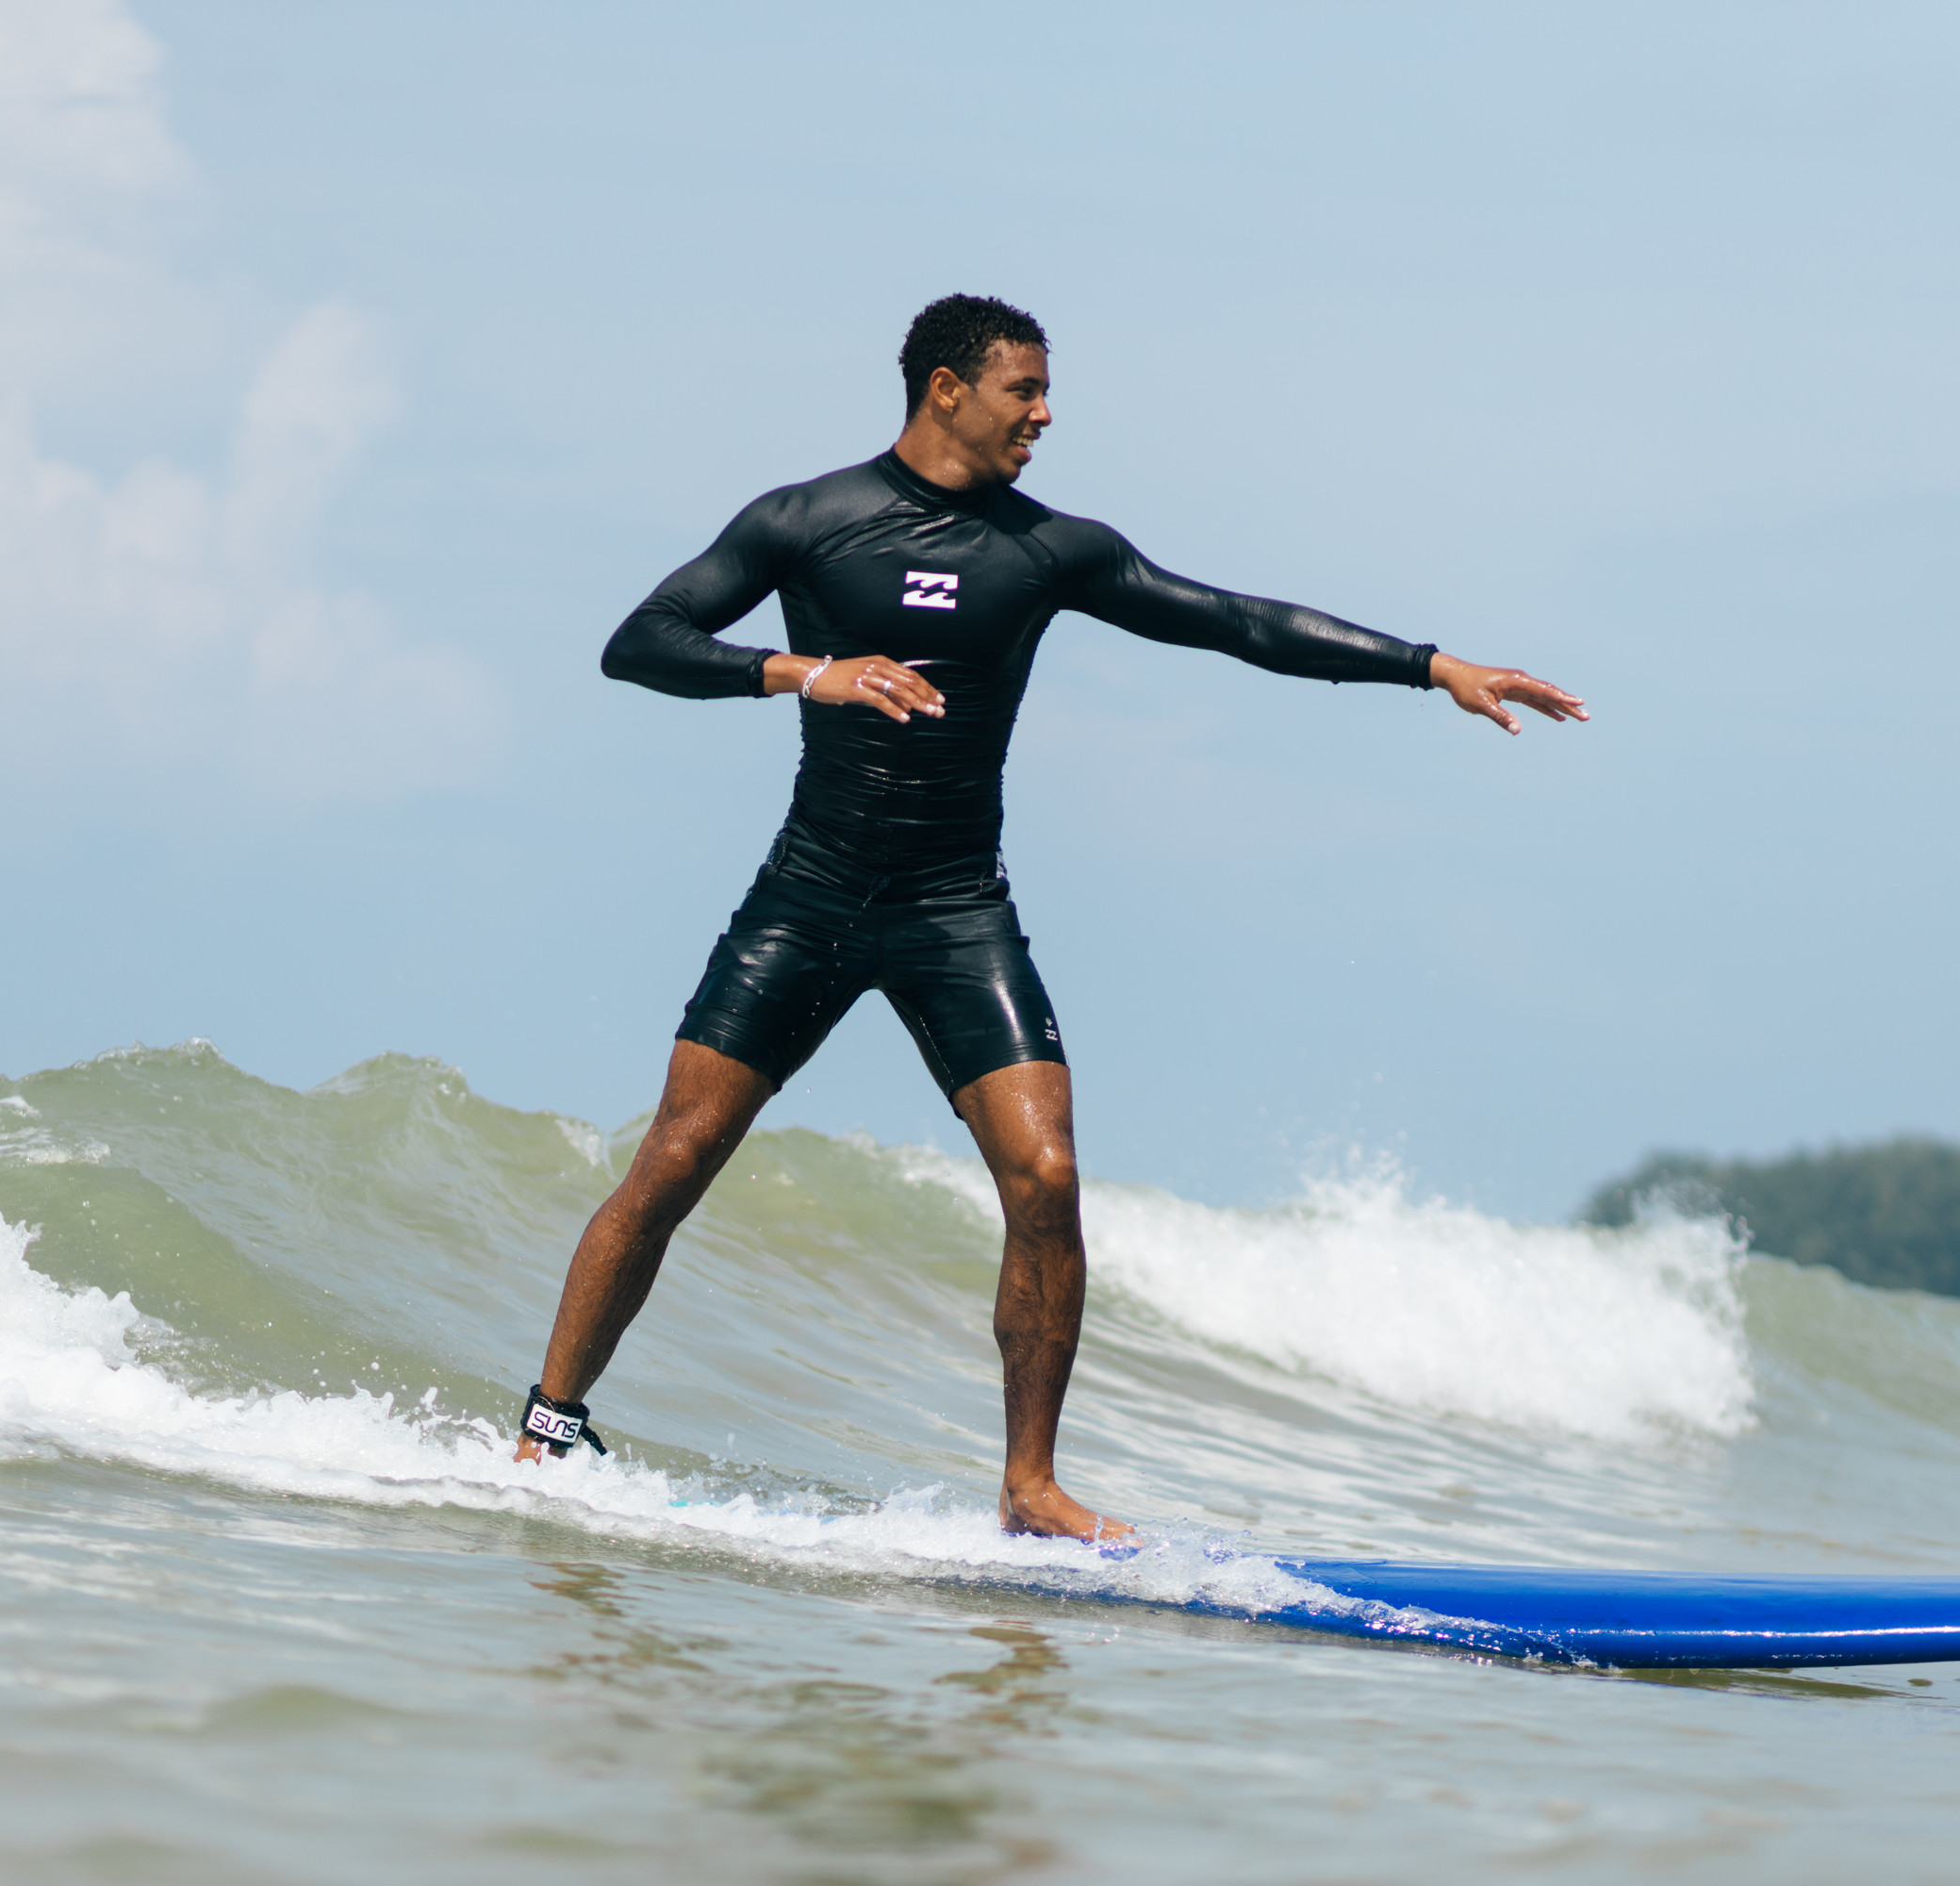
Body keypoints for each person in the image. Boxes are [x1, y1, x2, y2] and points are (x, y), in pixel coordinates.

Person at [514, 294, 1587, 1540]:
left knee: (1048, 1176)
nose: (1045, 411)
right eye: (1023, 389)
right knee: (677, 1159)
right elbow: (639, 641)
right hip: (806, 898)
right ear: (945, 390)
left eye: (1045, 390)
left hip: (958, 909)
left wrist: (1429, 664)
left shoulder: (1051, 550)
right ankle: (550, 1424)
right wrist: (807, 671)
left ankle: (1029, 1486)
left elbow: (1232, 621)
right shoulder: (807, 524)